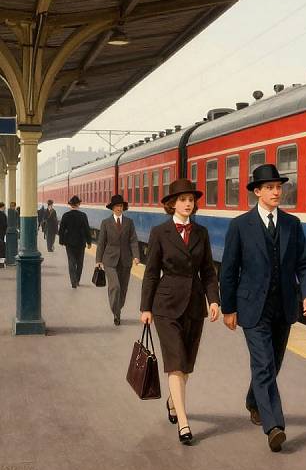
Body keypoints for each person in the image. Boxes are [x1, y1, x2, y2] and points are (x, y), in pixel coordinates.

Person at [220, 163, 306, 452]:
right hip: (252, 309)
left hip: (284, 307)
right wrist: (229, 308)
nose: (277, 192)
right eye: (271, 188)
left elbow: (305, 262)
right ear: (257, 192)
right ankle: (274, 425)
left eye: (279, 187)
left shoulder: (292, 224)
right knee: (263, 364)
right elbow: (229, 269)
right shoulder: (239, 226)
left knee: (272, 364)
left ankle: (253, 401)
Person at [140, 179, 220, 445]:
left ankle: (173, 402)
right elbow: (151, 273)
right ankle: (184, 423)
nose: (188, 203)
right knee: (175, 363)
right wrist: (146, 307)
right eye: (183, 199)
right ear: (171, 203)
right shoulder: (159, 232)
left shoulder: (201, 233)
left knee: (186, 365)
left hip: (195, 305)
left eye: (191, 199)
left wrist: (214, 300)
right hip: (166, 306)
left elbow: (208, 271)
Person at [95, 194, 139, 325]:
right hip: (109, 260)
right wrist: (98, 260)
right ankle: (116, 313)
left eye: (121, 206)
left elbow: (133, 240)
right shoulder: (106, 223)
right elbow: (101, 242)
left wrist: (136, 256)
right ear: (112, 208)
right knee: (115, 287)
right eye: (117, 206)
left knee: (123, 289)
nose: (119, 208)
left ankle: (118, 310)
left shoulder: (129, 222)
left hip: (125, 260)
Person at [58, 195, 92, 288]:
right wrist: (89, 242)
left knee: (71, 261)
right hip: (81, 243)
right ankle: (77, 280)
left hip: (69, 243)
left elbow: (61, 230)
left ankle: (73, 282)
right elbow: (87, 229)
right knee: (80, 262)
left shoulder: (66, 216)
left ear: (70, 205)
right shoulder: (83, 215)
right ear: (78, 204)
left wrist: (61, 241)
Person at [0, 202, 7, 268]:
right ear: (2, 207)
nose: (5, 208)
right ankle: (1, 264)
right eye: (4, 207)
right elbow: (5, 225)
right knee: (2, 249)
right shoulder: (3, 215)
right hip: (1, 234)